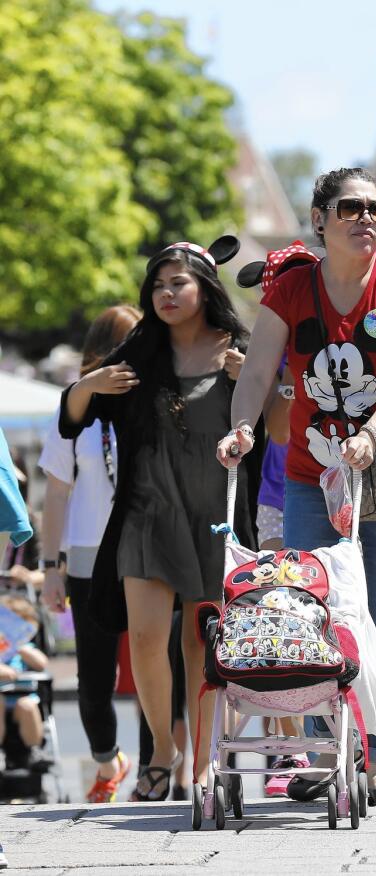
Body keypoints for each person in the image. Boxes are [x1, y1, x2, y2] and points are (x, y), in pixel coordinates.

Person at [218, 167, 376, 807]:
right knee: (313, 613)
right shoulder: (291, 289)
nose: (366, 218)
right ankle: (329, 752)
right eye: (350, 208)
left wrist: (370, 437)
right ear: (320, 219)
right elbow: (258, 370)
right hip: (313, 477)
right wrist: (241, 430)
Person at [60, 236, 258, 801]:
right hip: (146, 516)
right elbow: (72, 421)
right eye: (158, 284)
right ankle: (161, 752)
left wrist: (255, 386)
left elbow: (279, 426)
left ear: (205, 287)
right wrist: (88, 385)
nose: (167, 293)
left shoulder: (237, 350)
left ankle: (200, 763)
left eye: (179, 282)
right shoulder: (139, 350)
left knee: (202, 644)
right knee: (145, 639)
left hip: (215, 521)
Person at [37, 305, 139, 802]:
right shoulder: (72, 410)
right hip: (86, 555)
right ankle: (108, 760)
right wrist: (50, 567)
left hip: (145, 550)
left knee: (154, 668)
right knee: (94, 682)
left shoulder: (150, 399)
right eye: (121, 346)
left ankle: (163, 769)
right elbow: (55, 493)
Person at [0, 594, 49, 760]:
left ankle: (35, 750)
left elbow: (41, 663)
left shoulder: (25, 647)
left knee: (27, 706)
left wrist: (20, 647)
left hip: (22, 697)